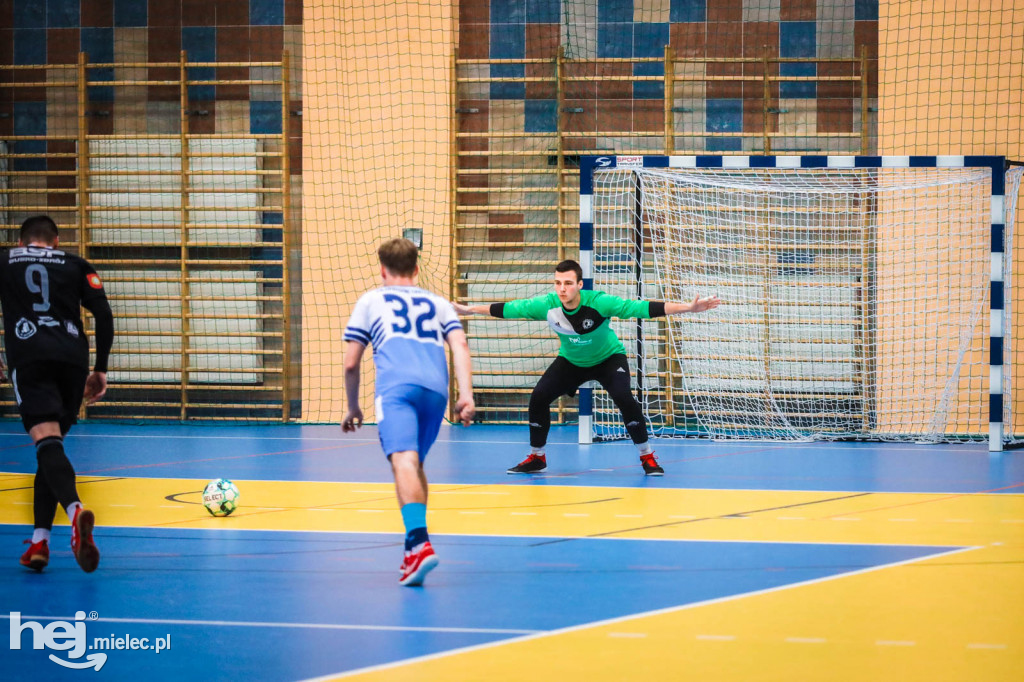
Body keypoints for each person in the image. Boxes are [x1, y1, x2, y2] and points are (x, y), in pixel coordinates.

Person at [453, 259, 719, 476]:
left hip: (608, 359)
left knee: (625, 398)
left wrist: (688, 308)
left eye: (568, 283)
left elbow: (642, 308)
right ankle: (537, 457)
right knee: (538, 398)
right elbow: (508, 309)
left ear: (579, 284)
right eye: (557, 283)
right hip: (571, 361)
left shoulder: (599, 302)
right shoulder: (546, 305)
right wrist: (468, 310)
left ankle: (647, 457)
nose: (562, 288)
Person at [341, 238, 474, 586]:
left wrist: (353, 406)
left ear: (383, 270)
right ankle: (411, 551)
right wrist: (467, 395)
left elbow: (351, 363)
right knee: (414, 466)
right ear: (416, 269)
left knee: (402, 461)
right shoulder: (438, 303)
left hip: (397, 389)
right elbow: (459, 345)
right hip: (436, 391)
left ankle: (420, 543)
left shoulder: (371, 300)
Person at [1, 215, 113, 573]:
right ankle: (40, 542)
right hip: (71, 360)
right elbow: (104, 315)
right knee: (50, 448)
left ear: (22, 241)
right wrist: (100, 369)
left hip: (29, 356)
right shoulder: (75, 263)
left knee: (46, 442)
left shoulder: (6, 259)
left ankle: (75, 509)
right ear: (57, 240)